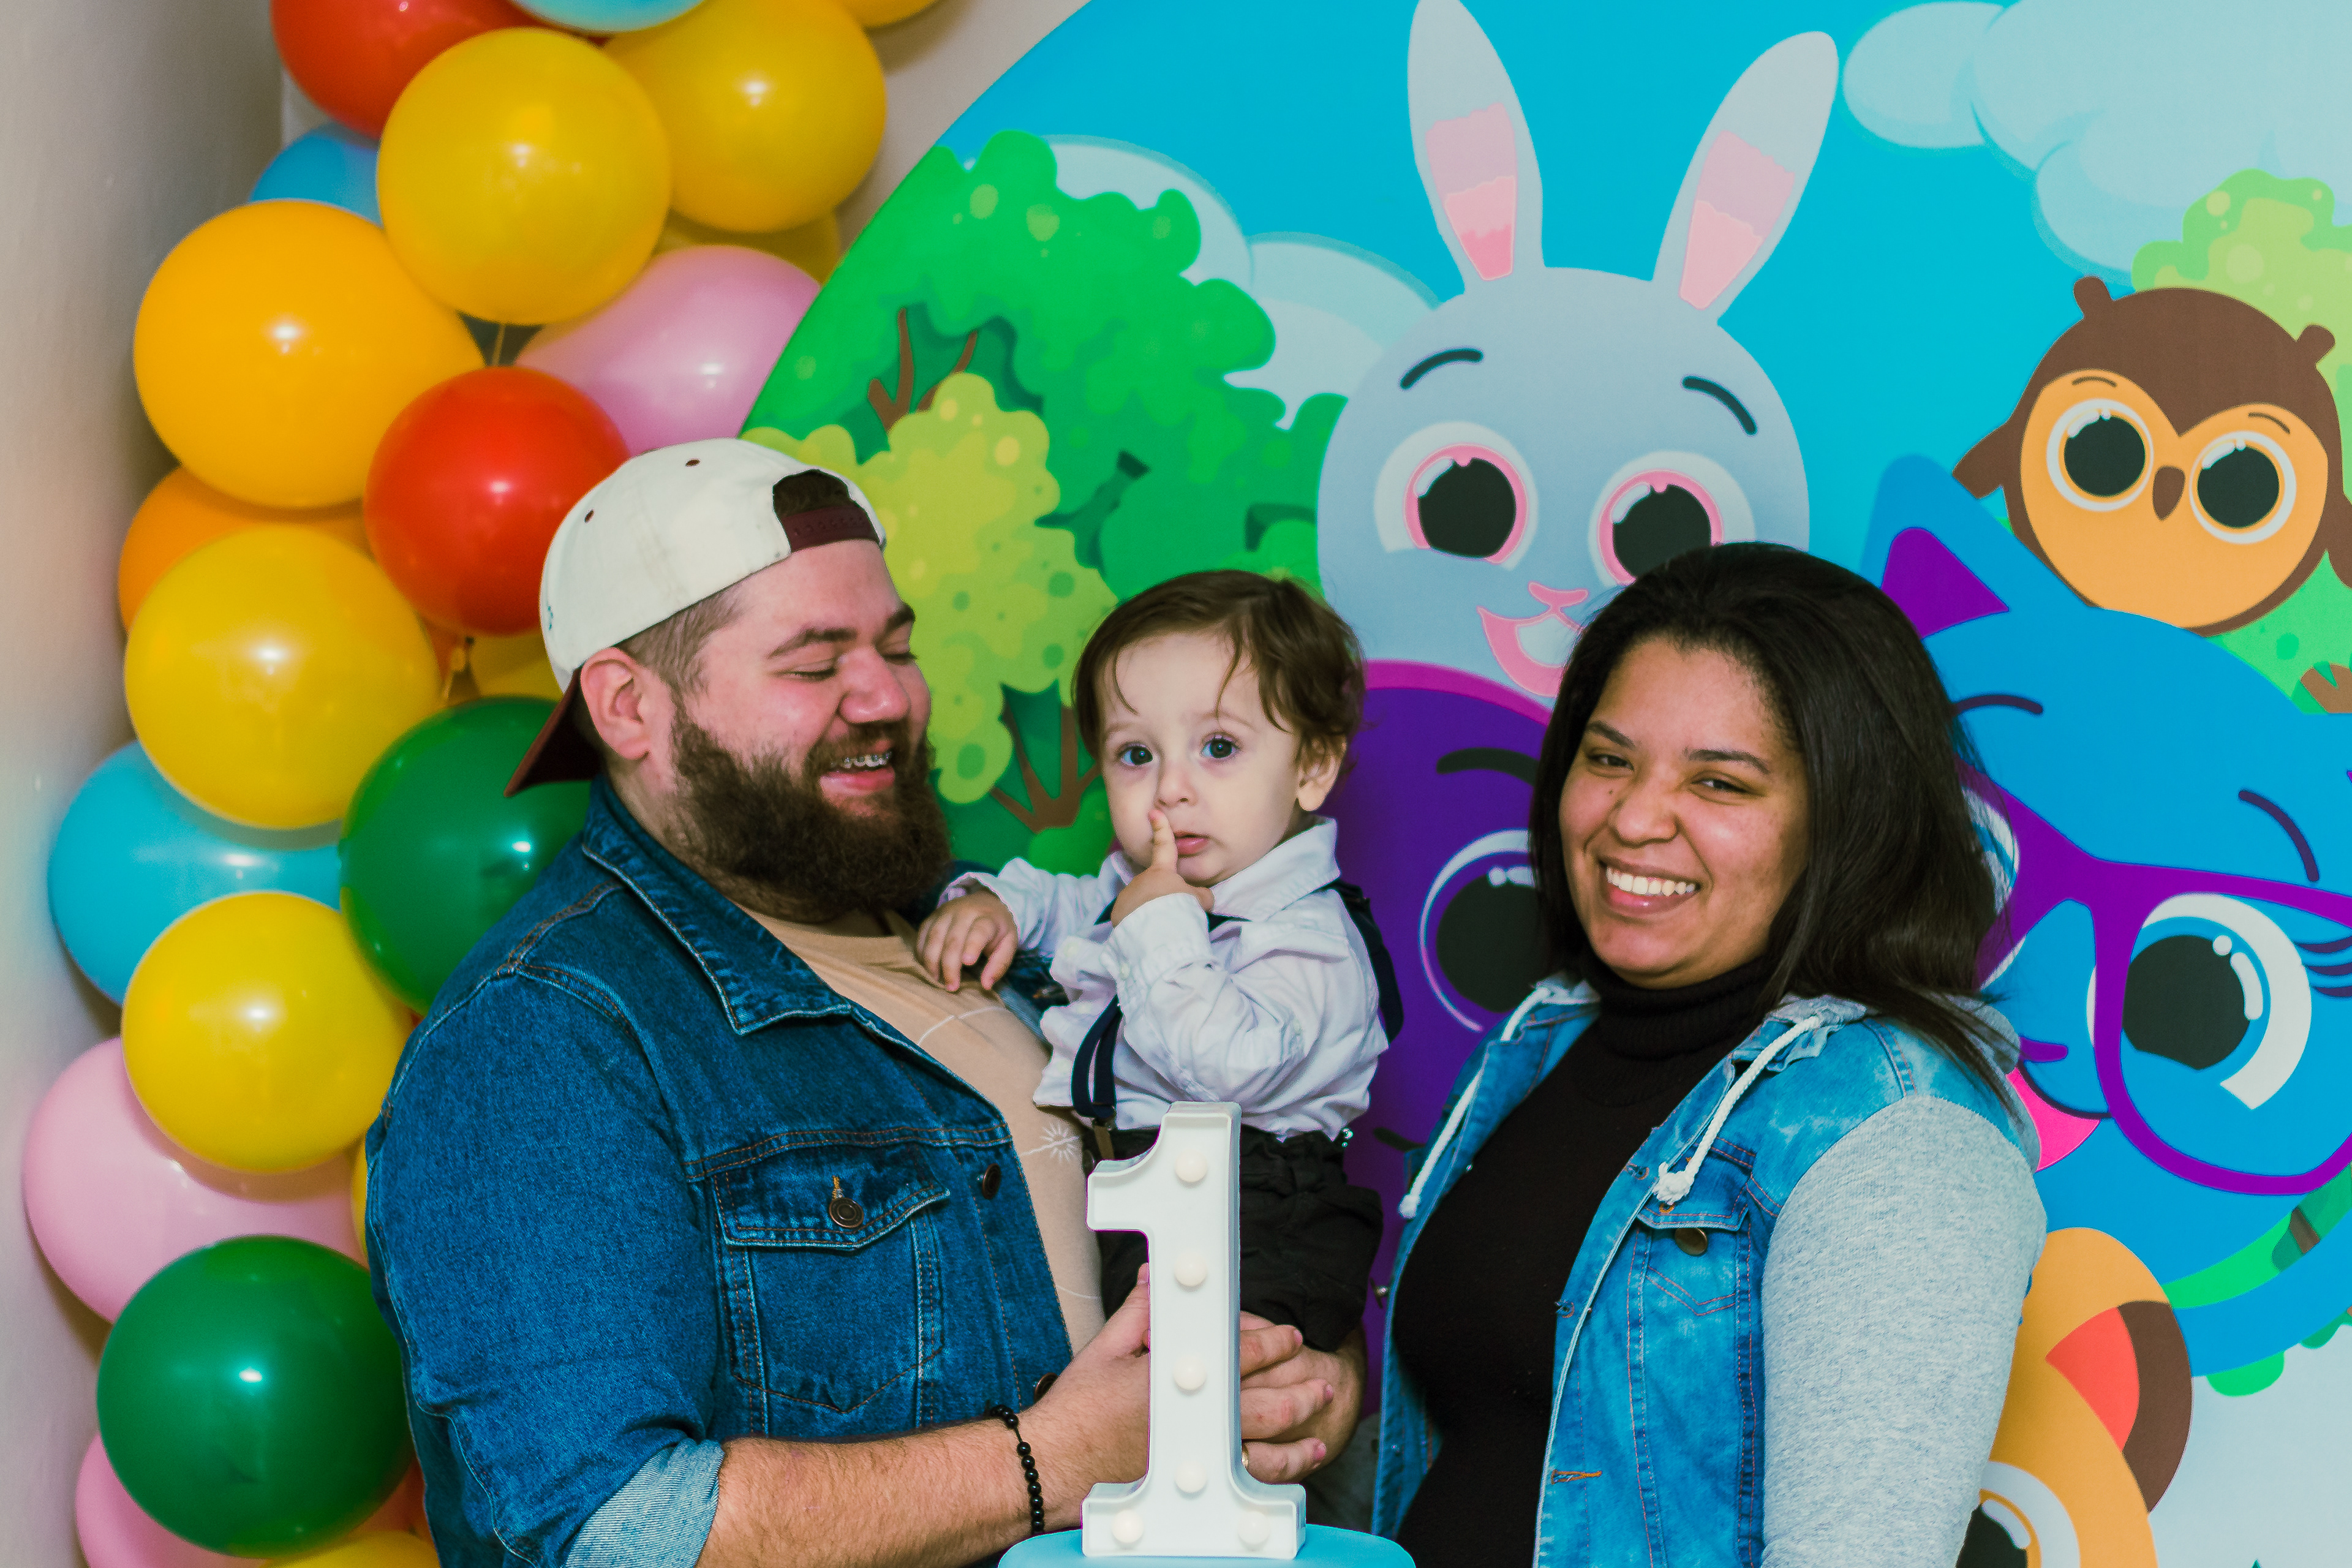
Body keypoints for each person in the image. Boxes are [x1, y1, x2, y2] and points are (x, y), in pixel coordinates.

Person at [363, 440, 1360, 1568]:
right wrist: (1051, 1462)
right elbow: (610, 1528)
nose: (889, 696)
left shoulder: (1003, 932)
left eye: (897, 646)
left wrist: (1307, 1385)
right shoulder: (542, 1036)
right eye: (812, 663)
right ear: (631, 707)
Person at [1372, 543, 2045, 1567]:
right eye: (1609, 760)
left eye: (1720, 783)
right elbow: (1485, 1455)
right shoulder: (1538, 1046)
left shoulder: (1901, 1133)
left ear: (1845, 825)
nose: (1633, 819)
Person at [914, 572, 1395, 1355]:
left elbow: (1229, 1069)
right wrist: (999, 904)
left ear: (1311, 767)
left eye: (1219, 748)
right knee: (1115, 1378)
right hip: (1142, 1187)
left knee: (1217, 1391)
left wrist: (1159, 924)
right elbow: (1073, 906)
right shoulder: (1139, 889)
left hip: (1259, 1208)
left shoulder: (1312, 937)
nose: (1171, 789)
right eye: (1136, 754)